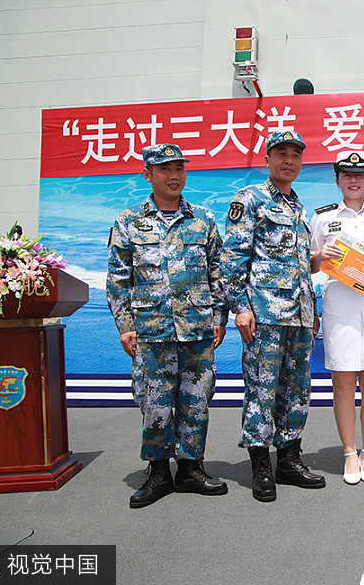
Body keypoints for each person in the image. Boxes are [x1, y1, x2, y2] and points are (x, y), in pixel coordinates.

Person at [107, 143, 229, 509]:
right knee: (154, 402)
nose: (174, 176)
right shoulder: (128, 221)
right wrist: (125, 325)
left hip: (196, 329)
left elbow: (217, 274)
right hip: (151, 329)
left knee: (196, 401)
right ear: (148, 175)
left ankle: (191, 468)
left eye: (179, 168)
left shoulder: (203, 219)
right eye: (164, 169)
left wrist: (218, 318)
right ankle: (158, 471)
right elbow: (118, 279)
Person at [220, 130, 325, 503]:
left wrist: (314, 298)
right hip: (263, 315)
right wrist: (240, 307)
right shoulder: (250, 199)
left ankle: (289, 459)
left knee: (296, 390)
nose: (289, 161)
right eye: (281, 153)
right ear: (267, 158)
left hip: (298, 316)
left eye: (296, 155)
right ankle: (261, 465)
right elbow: (232, 260)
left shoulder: (298, 207)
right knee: (262, 391)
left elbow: (295, 266)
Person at [310, 151, 364, 485]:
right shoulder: (322, 219)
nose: (354, 180)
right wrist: (318, 256)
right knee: (343, 381)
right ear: (338, 180)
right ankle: (349, 452)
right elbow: (309, 264)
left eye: (360, 175)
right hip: (339, 303)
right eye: (347, 175)